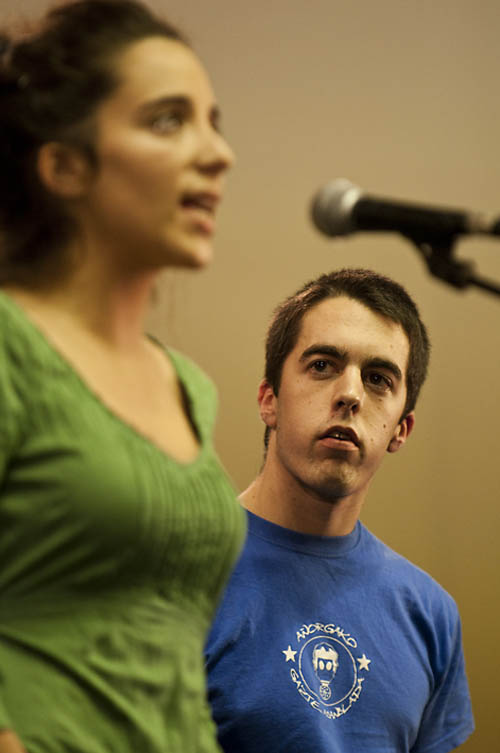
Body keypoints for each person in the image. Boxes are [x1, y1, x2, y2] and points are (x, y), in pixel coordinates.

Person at [0, 1, 245, 751]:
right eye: (169, 121)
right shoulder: (11, 346)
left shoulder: (190, 387)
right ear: (64, 166)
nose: (218, 153)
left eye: (214, 122)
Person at [206, 268, 474, 753]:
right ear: (269, 400)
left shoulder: (430, 613)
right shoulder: (176, 573)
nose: (350, 394)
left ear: (401, 429)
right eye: (323, 366)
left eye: (378, 379)